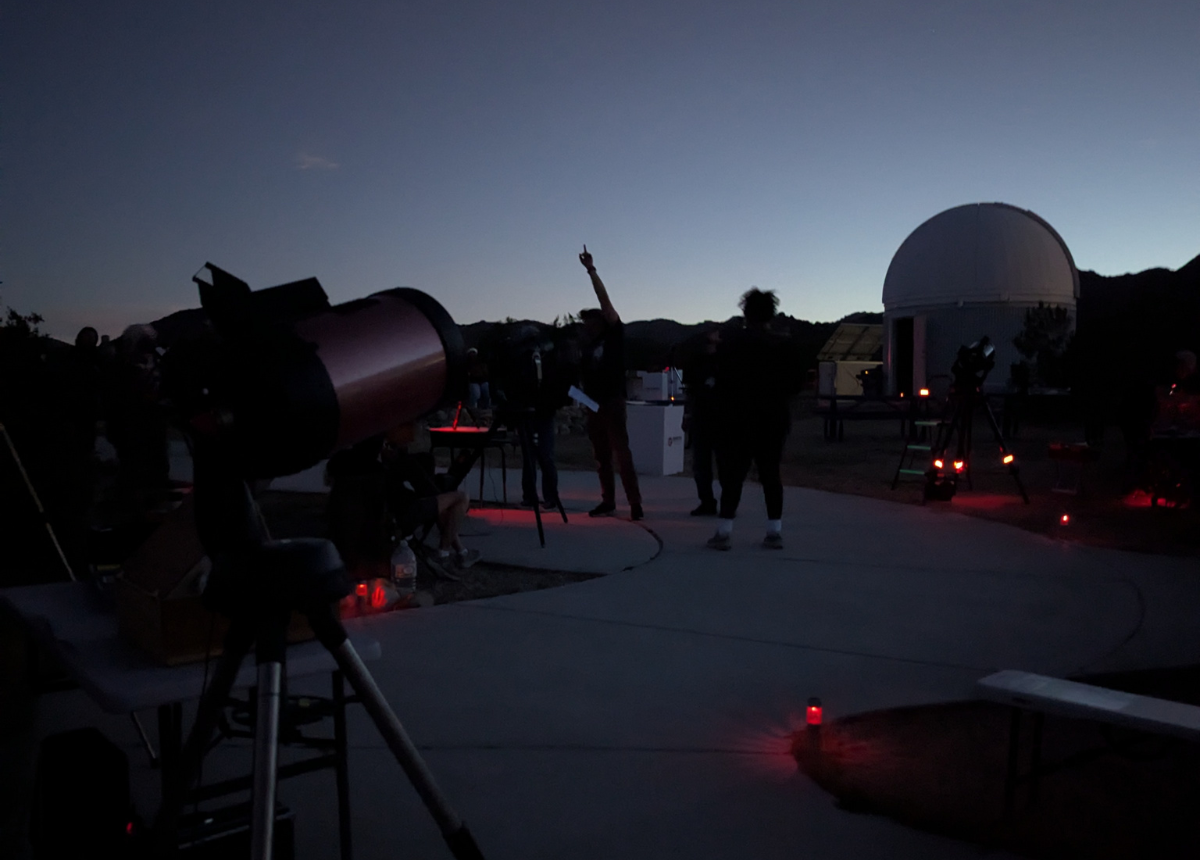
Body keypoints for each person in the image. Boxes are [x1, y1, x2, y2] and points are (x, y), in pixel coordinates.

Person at [706, 289, 797, 550]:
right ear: (772, 313)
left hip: (738, 419)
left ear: (745, 312)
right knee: (771, 473)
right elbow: (793, 385)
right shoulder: (784, 346)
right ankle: (774, 531)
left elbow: (720, 382)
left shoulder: (731, 344)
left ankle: (724, 532)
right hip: (774, 419)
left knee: (733, 475)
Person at [577, 246, 643, 520]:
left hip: (613, 401)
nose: (586, 325)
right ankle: (608, 501)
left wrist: (591, 270)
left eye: (590, 320)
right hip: (594, 403)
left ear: (601, 321)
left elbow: (605, 301)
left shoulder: (614, 334)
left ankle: (635, 503)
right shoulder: (589, 346)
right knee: (601, 455)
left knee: (621, 454)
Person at [682, 328, 721, 516]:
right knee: (700, 464)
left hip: (721, 419)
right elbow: (690, 391)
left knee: (725, 464)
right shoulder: (696, 362)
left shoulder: (726, 362)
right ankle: (707, 501)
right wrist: (688, 415)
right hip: (700, 418)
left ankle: (728, 502)